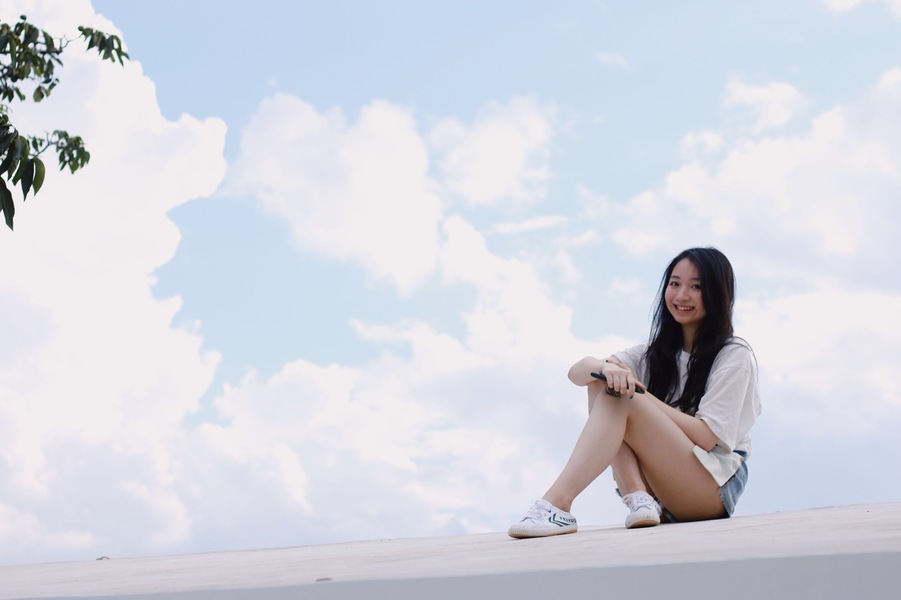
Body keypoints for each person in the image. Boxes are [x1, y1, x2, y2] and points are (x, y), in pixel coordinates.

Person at [508, 247, 761, 538]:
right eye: (675, 283)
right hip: (662, 492)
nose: (681, 295)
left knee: (623, 394)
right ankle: (638, 498)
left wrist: (640, 395)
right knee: (602, 381)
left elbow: (707, 436)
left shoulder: (733, 355)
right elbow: (577, 373)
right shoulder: (654, 353)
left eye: (696, 287)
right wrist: (604, 368)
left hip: (712, 488)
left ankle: (557, 503)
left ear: (718, 294)